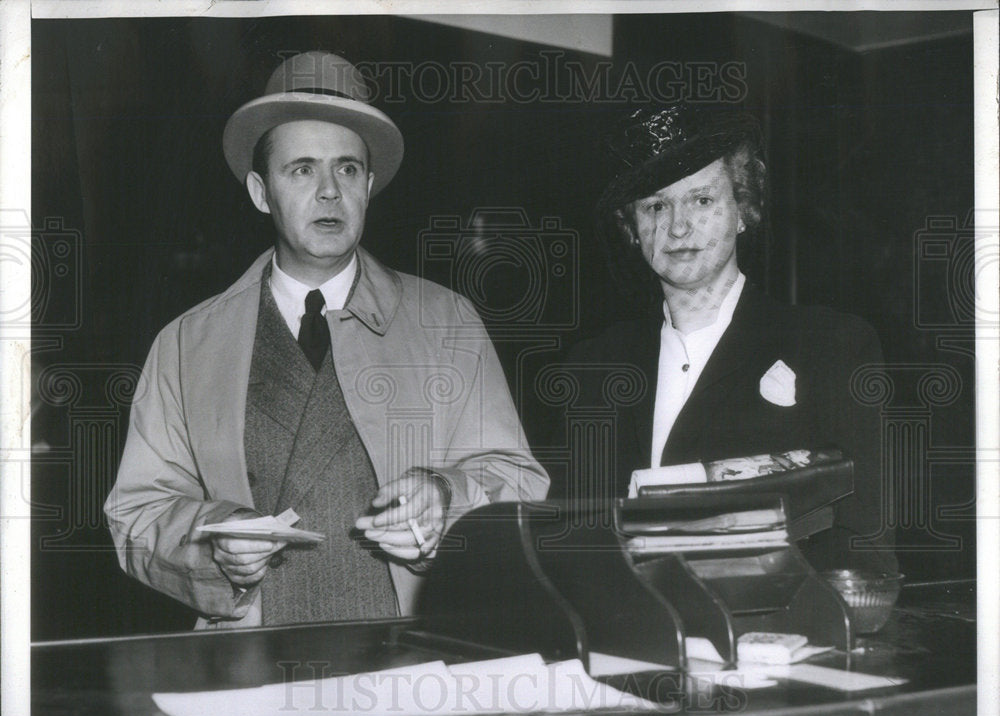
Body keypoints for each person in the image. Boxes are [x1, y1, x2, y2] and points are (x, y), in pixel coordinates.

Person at [105, 52, 548, 629]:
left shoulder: (447, 321)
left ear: (369, 185)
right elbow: (136, 513)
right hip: (247, 663)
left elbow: (519, 479)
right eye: (301, 170)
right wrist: (214, 541)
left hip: (413, 659)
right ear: (261, 193)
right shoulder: (187, 342)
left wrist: (446, 495)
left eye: (346, 169)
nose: (329, 193)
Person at [555, 104, 895, 572]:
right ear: (632, 228)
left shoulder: (830, 344)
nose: (677, 226)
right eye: (655, 205)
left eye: (701, 200)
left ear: (743, 211)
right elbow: (569, 540)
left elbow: (862, 542)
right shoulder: (594, 365)